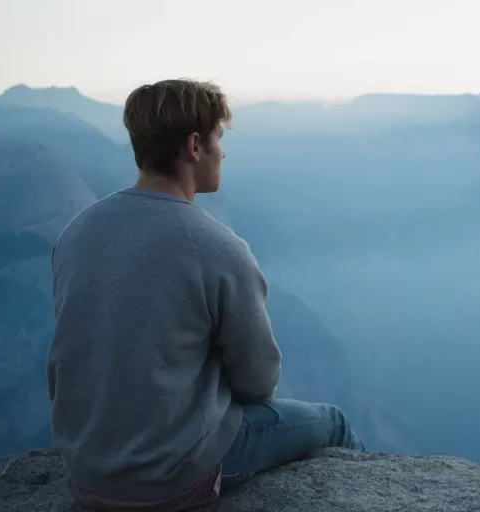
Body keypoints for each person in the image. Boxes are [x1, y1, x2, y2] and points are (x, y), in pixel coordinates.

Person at [47, 78, 365, 511]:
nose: (223, 151)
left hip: (85, 474)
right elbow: (258, 383)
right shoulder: (218, 248)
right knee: (334, 422)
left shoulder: (75, 233)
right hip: (171, 480)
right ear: (194, 146)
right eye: (219, 136)